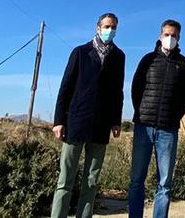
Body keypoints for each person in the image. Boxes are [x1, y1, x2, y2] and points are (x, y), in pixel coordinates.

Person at [51, 13, 125, 218]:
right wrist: (59, 121)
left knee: (91, 182)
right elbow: (65, 88)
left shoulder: (119, 57)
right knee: (65, 181)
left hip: (101, 127)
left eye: (114, 27)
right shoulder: (81, 52)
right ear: (98, 27)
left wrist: (116, 121)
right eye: (107, 26)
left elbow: (117, 92)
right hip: (76, 123)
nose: (110, 30)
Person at [128, 19, 185, 218]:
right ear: (160, 36)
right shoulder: (148, 60)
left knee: (164, 183)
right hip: (143, 127)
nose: (170, 38)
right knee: (136, 181)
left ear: (179, 37)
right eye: (167, 34)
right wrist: (141, 113)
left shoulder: (183, 65)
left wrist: (174, 117)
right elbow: (136, 89)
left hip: (168, 130)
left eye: (174, 35)